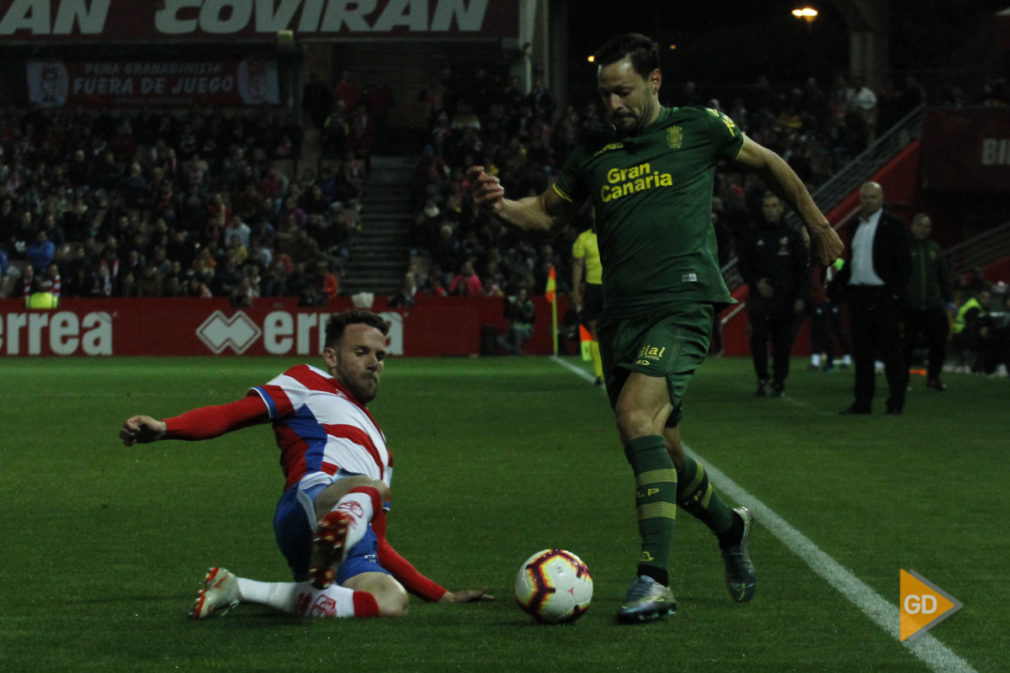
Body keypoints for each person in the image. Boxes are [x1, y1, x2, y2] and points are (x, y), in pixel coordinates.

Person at [467, 33, 843, 623]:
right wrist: (499, 204)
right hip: (621, 316)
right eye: (605, 94)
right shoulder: (592, 151)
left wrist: (817, 224)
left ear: (654, 81)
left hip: (684, 302)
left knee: (635, 417)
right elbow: (544, 214)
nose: (613, 104)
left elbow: (769, 163)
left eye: (623, 91)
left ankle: (653, 579)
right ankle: (729, 527)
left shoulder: (698, 128)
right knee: (659, 448)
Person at [119, 309, 491, 619]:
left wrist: (440, 595)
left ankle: (238, 588)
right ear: (331, 357)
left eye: (380, 356)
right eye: (361, 352)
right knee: (372, 489)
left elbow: (377, 541)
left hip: (352, 527)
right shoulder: (306, 381)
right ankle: (335, 531)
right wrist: (167, 428)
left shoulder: (381, 448)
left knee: (391, 602)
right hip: (311, 498)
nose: (374, 363)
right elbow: (234, 413)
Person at [836, 182, 910, 415]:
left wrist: (894, 293)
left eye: (872, 197)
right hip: (859, 295)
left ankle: (896, 401)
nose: (868, 201)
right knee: (862, 352)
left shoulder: (895, 225)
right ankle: (862, 402)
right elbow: (852, 261)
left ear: (881, 198)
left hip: (883, 295)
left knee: (891, 352)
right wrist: (838, 287)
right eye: (865, 197)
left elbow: (905, 264)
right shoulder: (854, 225)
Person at [738, 193, 808, 397]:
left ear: (781, 208)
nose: (770, 209)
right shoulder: (753, 234)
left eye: (774, 205)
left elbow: (802, 269)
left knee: (782, 343)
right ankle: (762, 379)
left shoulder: (792, 236)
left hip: (785, 298)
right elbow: (743, 264)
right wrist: (756, 282)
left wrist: (800, 297)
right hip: (759, 298)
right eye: (767, 206)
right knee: (758, 339)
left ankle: (779, 381)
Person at [902, 213, 954, 391]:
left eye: (927, 226)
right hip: (911, 304)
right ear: (912, 226)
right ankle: (902, 380)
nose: (923, 229)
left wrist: (949, 299)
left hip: (932, 303)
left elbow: (943, 276)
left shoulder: (934, 249)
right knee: (907, 344)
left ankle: (933, 378)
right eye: (920, 225)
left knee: (939, 341)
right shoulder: (905, 248)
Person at [571, 221, 605, 384]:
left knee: (616, 328)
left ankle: (614, 369)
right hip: (593, 288)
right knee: (595, 328)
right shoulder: (583, 239)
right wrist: (576, 290)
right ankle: (600, 373)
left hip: (613, 285)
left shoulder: (613, 233)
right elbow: (577, 265)